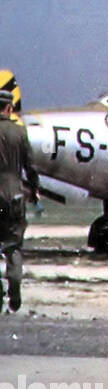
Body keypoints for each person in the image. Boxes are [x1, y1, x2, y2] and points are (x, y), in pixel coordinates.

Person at [0, 89, 38, 311]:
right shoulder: (19, 133)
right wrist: (34, 189)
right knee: (13, 244)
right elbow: (30, 166)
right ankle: (14, 286)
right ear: (9, 108)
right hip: (14, 195)